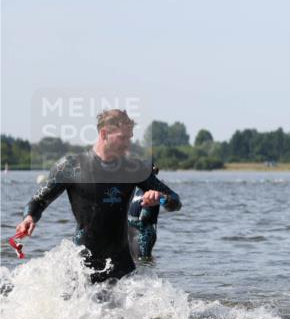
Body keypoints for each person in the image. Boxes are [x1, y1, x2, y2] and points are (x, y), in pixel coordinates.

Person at [15, 109, 181, 284]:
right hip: (82, 266)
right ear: (104, 134)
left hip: (122, 266)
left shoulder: (135, 168)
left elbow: (175, 201)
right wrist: (29, 217)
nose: (128, 144)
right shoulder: (71, 167)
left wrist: (160, 198)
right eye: (122, 138)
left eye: (129, 138)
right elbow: (39, 201)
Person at [128, 163, 163, 260]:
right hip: (130, 231)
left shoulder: (155, 188)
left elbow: (164, 200)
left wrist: (158, 200)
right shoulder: (134, 188)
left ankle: (148, 274)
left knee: (142, 261)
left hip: (144, 233)